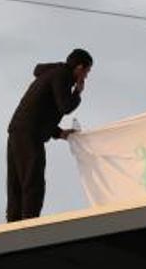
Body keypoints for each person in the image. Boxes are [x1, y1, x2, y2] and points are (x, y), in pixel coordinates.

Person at [6, 49, 92, 221]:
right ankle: (29, 227)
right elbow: (65, 106)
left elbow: (43, 111)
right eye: (86, 72)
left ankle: (13, 228)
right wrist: (78, 92)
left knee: (16, 184)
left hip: (18, 131)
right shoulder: (62, 76)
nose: (86, 77)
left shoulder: (51, 74)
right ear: (80, 68)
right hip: (29, 135)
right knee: (33, 182)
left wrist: (59, 133)